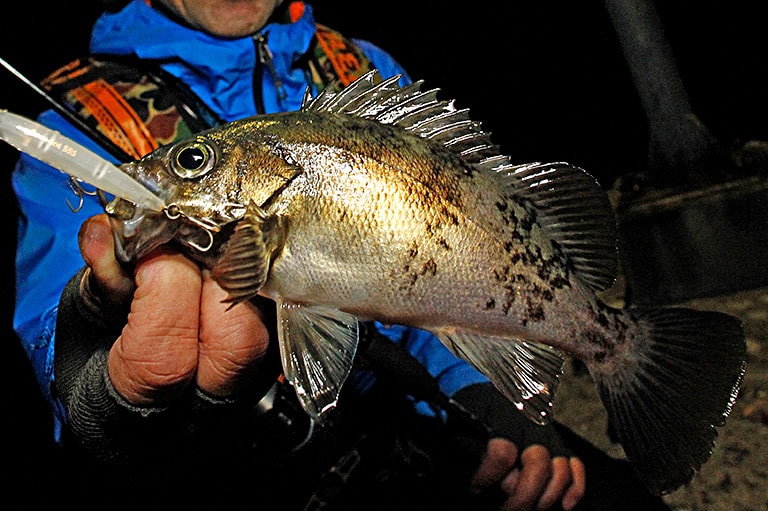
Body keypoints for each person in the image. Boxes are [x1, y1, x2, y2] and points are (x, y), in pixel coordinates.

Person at [10, 1, 669, 510]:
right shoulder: (77, 117)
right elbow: (52, 321)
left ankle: (619, 353)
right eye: (192, 162)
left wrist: (489, 391)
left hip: (418, 423)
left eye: (193, 163)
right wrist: (97, 380)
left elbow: (429, 267)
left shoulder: (360, 67)